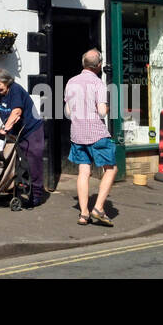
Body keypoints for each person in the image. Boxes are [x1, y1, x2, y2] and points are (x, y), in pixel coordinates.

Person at [64, 49, 116, 226]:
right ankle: (98, 208)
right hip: (96, 134)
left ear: (83, 63)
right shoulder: (98, 83)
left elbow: (68, 112)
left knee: (84, 172)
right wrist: (110, 107)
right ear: (99, 65)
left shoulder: (71, 82)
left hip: (77, 134)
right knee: (111, 169)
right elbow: (102, 111)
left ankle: (84, 214)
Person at [0, 68, 45, 209]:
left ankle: (36, 195)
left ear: (7, 82)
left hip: (31, 129)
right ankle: (8, 188)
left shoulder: (15, 90)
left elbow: (16, 112)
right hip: (14, 130)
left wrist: (5, 129)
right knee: (7, 158)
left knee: (33, 160)